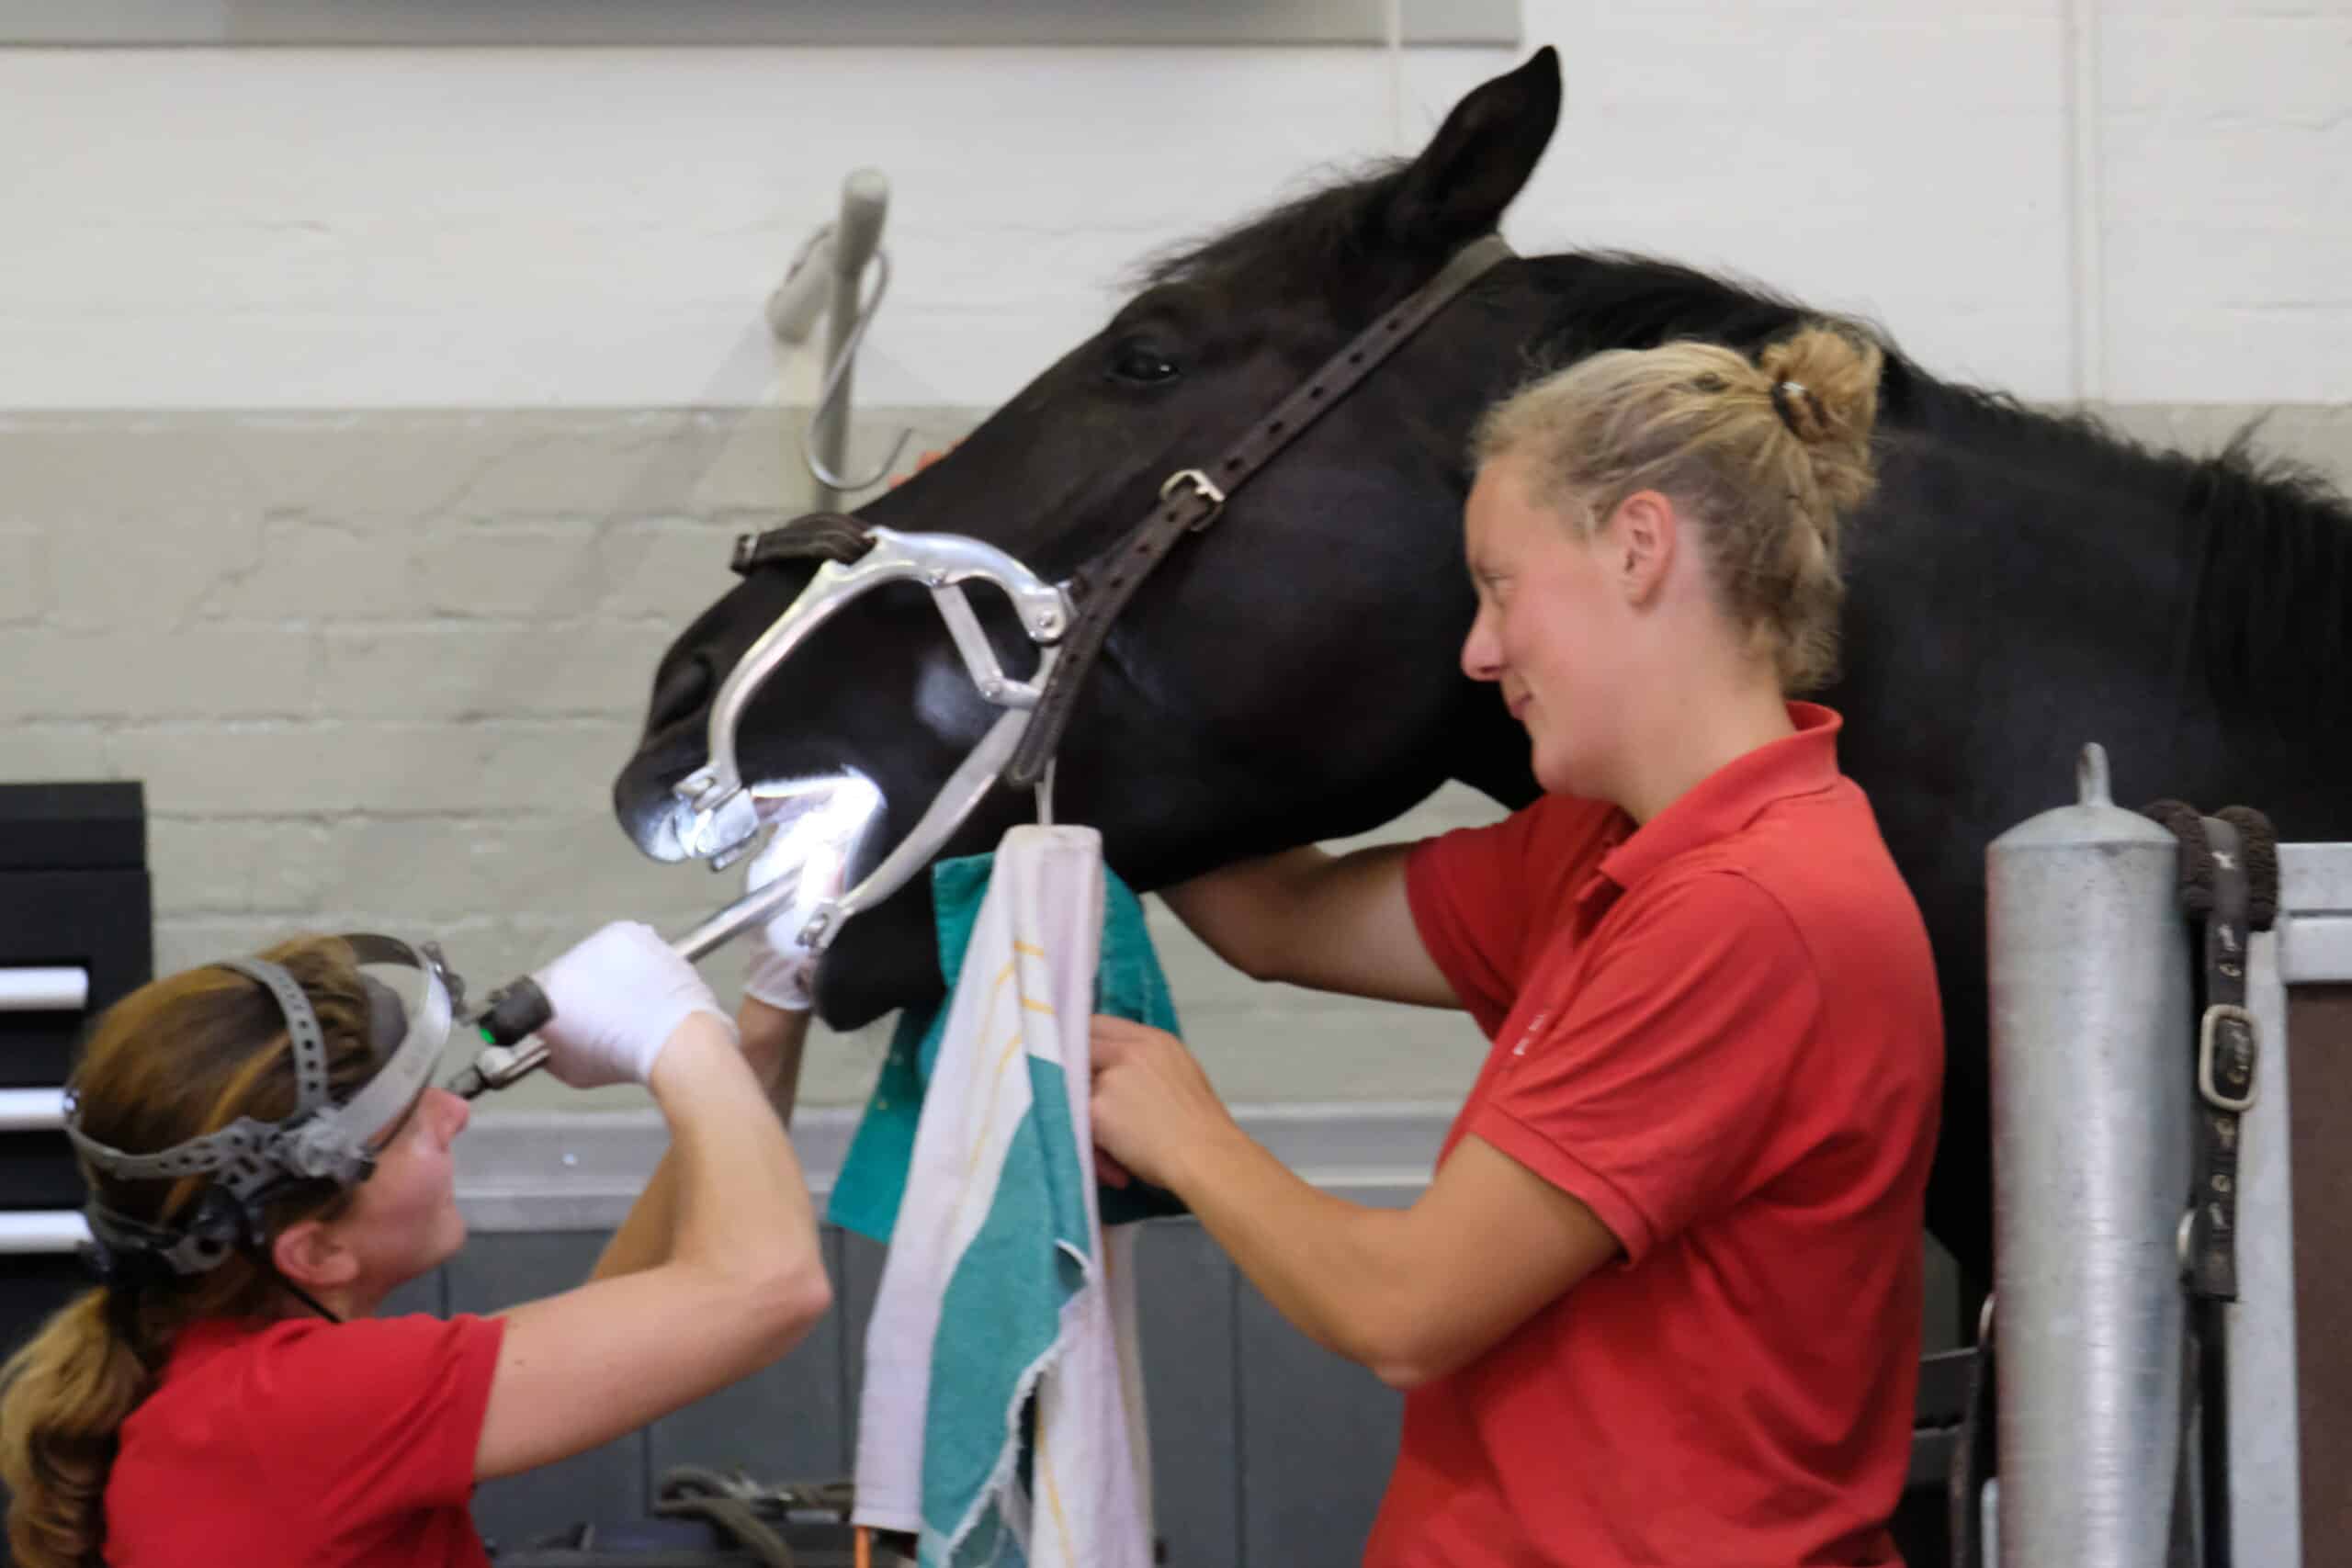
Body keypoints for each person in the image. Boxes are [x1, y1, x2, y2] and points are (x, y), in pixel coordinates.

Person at [1088, 324, 1945, 1565]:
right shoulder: (1603, 853)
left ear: (1640, 546)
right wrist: (1083, 668)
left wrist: (1189, 1132)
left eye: (1500, 584)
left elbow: (1404, 1307)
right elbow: (1279, 920)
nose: (1479, 650)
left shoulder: (1753, 909)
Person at [0, 888, 834, 1566]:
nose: (452, 1116)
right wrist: (673, 1039)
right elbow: (769, 1285)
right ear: (315, 1250)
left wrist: (764, 1020)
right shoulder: (296, 1407)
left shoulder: (226, 1382)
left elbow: (630, 1318)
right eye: (407, 1125)